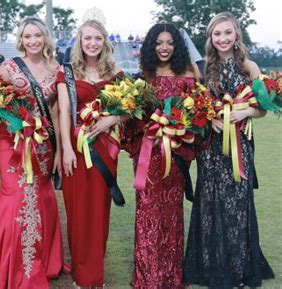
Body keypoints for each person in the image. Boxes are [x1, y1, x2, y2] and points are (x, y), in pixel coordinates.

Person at [184, 12, 274, 288]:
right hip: (210, 147)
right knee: (211, 203)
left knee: (237, 203)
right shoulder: (201, 67)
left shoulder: (250, 67)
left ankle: (239, 269)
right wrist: (210, 118)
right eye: (217, 34)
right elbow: (193, 106)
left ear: (237, 35)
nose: (222, 38)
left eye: (227, 33)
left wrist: (245, 110)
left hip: (240, 146)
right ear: (210, 37)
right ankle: (211, 266)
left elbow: (263, 109)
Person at [0, 17, 64, 289]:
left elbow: (55, 111)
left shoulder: (56, 69)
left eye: (37, 35)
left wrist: (60, 149)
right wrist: (16, 122)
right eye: (27, 36)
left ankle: (41, 261)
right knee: (15, 195)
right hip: (13, 141)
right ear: (20, 39)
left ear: (45, 37)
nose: (33, 41)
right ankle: (5, 263)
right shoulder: (8, 67)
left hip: (43, 143)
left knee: (39, 195)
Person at [120, 23, 201, 289]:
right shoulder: (145, 74)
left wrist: (178, 131)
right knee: (146, 214)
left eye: (169, 43)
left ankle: (171, 276)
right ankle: (147, 276)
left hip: (176, 156)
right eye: (159, 43)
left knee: (172, 214)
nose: (164, 48)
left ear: (177, 45)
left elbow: (200, 112)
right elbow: (135, 116)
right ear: (151, 45)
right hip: (148, 156)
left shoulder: (190, 72)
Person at [57, 19, 123, 288]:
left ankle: (95, 275)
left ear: (104, 41)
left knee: (99, 212)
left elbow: (129, 108)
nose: (93, 43)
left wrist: (111, 120)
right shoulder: (68, 72)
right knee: (77, 212)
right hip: (76, 150)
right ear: (79, 41)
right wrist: (67, 150)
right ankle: (80, 275)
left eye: (98, 38)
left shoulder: (116, 72)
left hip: (104, 150)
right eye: (88, 38)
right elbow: (63, 114)